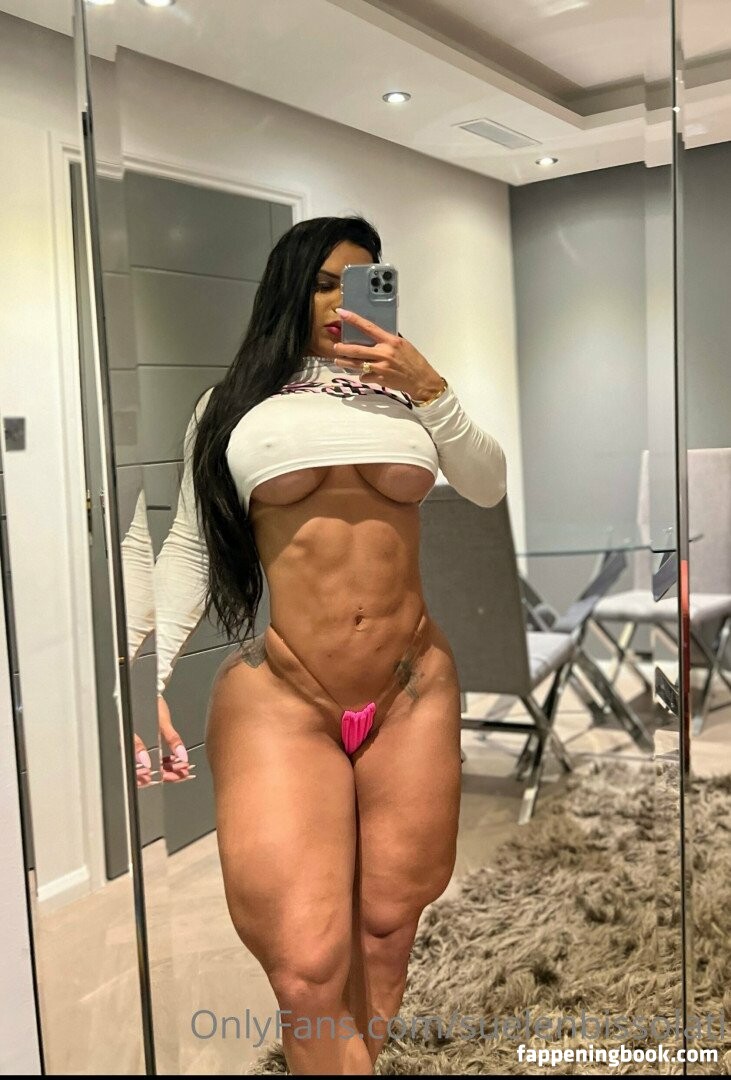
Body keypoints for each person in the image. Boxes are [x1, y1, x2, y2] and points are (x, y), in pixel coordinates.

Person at [154, 216, 507, 1075]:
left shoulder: (408, 396)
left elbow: (487, 485)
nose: (339, 303)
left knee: (386, 932)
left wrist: (432, 388)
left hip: (410, 688)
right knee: (306, 967)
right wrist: (147, 677)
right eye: (322, 284)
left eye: (358, 285)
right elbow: (189, 549)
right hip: (286, 696)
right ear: (289, 291)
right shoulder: (233, 408)